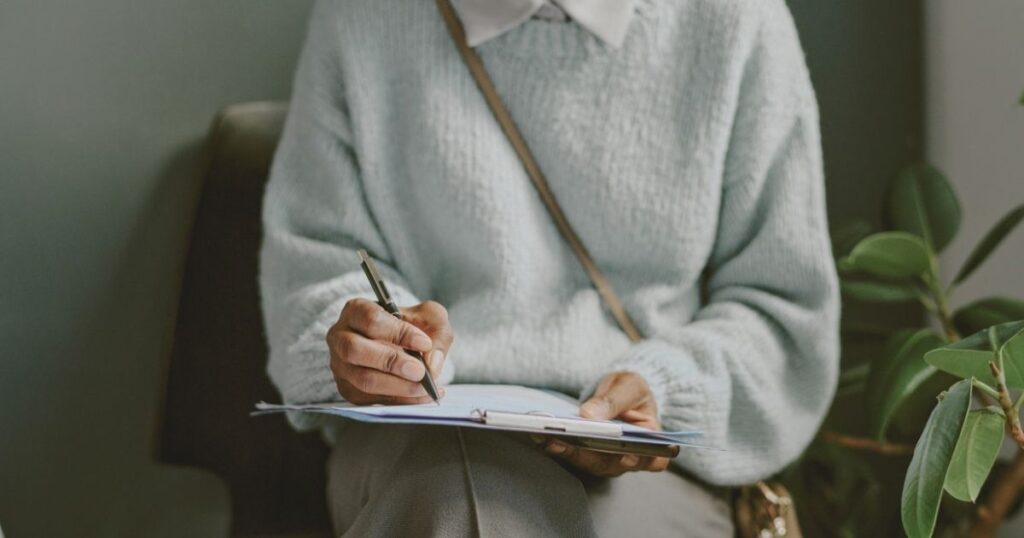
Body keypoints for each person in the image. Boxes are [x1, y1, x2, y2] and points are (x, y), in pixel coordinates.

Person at [259, 0, 840, 535]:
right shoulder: (364, 16)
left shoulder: (736, 20)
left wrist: (665, 387)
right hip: (419, 438)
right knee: (454, 491)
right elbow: (316, 264)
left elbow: (783, 316)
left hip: (647, 469)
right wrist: (374, 350)